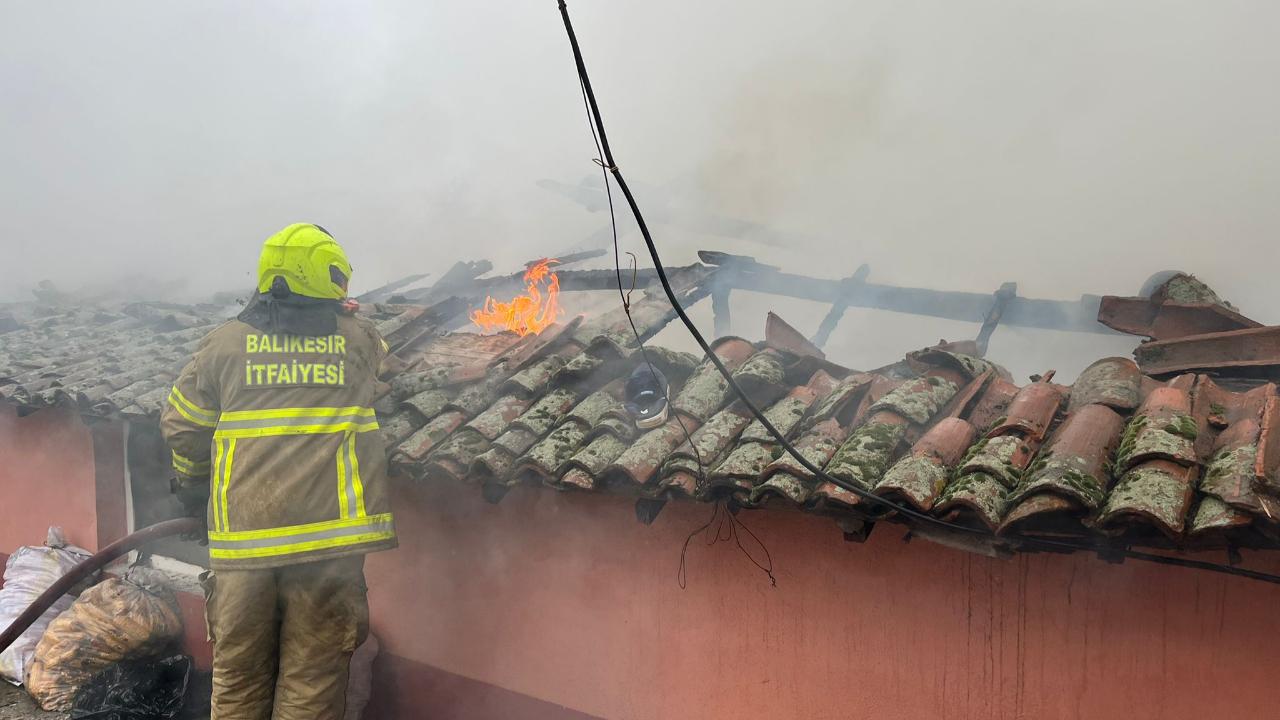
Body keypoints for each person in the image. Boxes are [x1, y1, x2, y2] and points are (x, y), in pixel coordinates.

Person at [161, 223, 396, 719]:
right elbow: (381, 360)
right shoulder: (358, 341)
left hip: (244, 549)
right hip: (327, 549)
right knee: (312, 683)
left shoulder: (223, 345)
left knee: (238, 682)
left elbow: (182, 428)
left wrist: (193, 485)